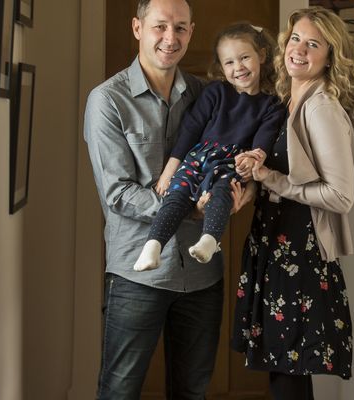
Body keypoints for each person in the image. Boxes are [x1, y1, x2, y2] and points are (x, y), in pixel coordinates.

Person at [84, 0, 230, 398]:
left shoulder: (207, 96)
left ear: (191, 32)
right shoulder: (108, 100)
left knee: (192, 391)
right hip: (137, 274)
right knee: (119, 391)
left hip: (202, 276)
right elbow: (117, 193)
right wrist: (189, 208)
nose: (171, 38)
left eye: (180, 28)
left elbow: (224, 159)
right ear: (137, 28)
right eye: (160, 26)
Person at [231, 7, 354, 400]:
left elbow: (341, 195)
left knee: (288, 371)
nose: (299, 49)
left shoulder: (322, 107)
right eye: (295, 39)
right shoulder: (288, 100)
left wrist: (270, 179)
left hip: (299, 253)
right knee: (282, 369)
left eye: (313, 44)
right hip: (273, 242)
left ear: (330, 57)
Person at [133, 22, 286, 272]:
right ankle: (153, 245)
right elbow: (190, 129)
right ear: (221, 67)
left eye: (244, 58)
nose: (238, 67)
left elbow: (264, 138)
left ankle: (209, 240)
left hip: (232, 163)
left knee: (222, 194)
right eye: (229, 62)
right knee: (176, 195)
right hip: (198, 158)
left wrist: (252, 160)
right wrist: (170, 169)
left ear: (261, 55)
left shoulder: (272, 104)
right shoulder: (216, 92)